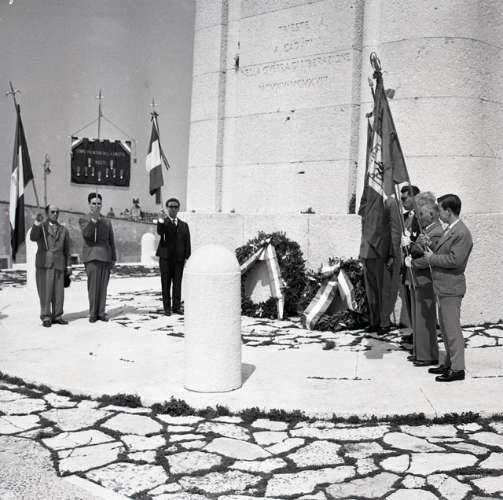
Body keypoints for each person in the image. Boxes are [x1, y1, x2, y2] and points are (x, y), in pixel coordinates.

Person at [423, 194, 473, 382]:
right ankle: (450, 363)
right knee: (445, 328)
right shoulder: (451, 229)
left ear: (449, 211)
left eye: (440, 209)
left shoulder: (462, 232)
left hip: (451, 288)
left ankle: (458, 369)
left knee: (452, 330)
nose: (438, 212)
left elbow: (455, 260)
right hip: (444, 287)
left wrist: (432, 259)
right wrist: (430, 245)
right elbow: (445, 250)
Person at [405, 196, 444, 366]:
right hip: (419, 279)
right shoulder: (427, 230)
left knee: (425, 320)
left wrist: (412, 262)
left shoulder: (436, 232)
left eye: (421, 214)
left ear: (431, 214)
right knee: (418, 319)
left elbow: (431, 258)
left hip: (427, 279)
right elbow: (416, 250)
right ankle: (420, 352)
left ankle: (428, 355)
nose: (419, 217)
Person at [30, 205, 71, 327]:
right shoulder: (41, 227)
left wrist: (68, 266)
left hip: (59, 263)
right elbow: (33, 237)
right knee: (45, 292)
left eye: (57, 212)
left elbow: (67, 249)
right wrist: (37, 223)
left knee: (59, 292)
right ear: (47, 213)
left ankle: (58, 315)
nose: (55, 214)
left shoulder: (63, 230)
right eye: (52, 212)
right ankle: (46, 316)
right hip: (45, 264)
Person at [79, 193, 117, 322]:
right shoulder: (84, 219)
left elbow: (111, 240)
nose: (96, 206)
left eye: (99, 203)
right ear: (89, 204)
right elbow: (87, 234)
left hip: (105, 256)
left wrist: (113, 258)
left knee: (103, 287)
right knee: (93, 287)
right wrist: (93, 221)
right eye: (94, 203)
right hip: (92, 257)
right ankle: (93, 313)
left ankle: (101, 312)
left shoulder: (107, 221)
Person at [156, 198, 191, 315]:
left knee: (177, 284)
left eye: (175, 207)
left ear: (178, 209)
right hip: (165, 258)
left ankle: (176, 307)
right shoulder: (164, 222)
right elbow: (160, 231)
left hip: (179, 259)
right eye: (171, 207)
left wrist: (187, 257)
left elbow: (187, 242)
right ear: (167, 208)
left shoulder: (184, 225)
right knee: (165, 283)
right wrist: (161, 219)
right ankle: (167, 308)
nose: (173, 209)